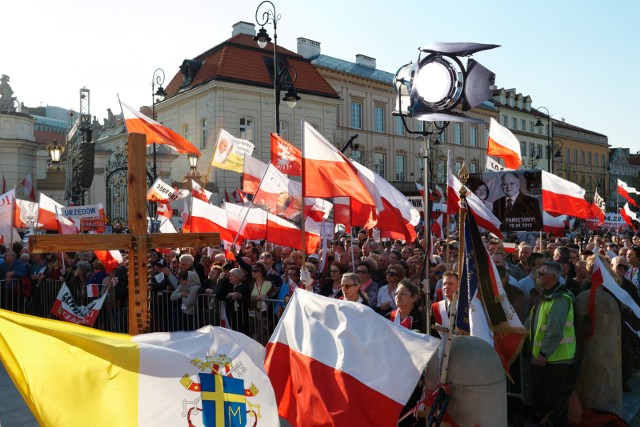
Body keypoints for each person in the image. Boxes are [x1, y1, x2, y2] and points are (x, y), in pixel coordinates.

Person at [527, 261, 575, 425]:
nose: (536, 277)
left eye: (540, 274)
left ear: (551, 277)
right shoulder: (545, 296)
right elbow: (534, 322)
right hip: (546, 357)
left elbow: (555, 331)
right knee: (545, 395)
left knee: (558, 399)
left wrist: (543, 353)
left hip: (557, 358)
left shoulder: (560, 299)